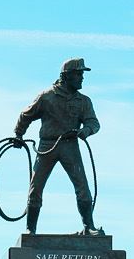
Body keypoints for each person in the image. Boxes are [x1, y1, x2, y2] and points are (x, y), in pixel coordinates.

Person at [14, 57, 103, 236]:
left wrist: (86, 130)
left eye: (82, 74)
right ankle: (30, 229)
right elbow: (26, 115)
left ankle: (89, 226)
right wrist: (18, 135)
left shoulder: (83, 101)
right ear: (67, 76)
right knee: (36, 188)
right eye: (79, 74)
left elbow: (94, 123)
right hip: (47, 146)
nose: (82, 78)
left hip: (70, 146)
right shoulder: (46, 97)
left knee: (82, 187)